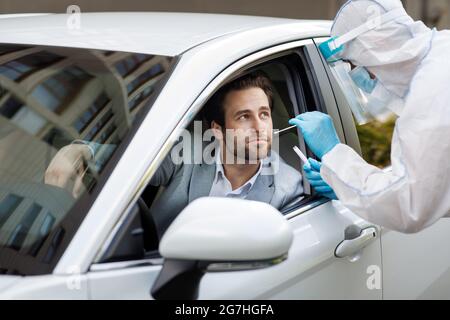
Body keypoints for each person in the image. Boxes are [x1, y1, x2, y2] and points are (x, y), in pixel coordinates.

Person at [45, 72, 304, 237]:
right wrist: (79, 151)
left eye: (264, 114)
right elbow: (130, 159)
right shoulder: (188, 151)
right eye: (244, 117)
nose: (260, 128)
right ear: (217, 130)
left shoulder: (288, 186)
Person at [289, 0, 450, 234]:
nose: (359, 76)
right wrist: (347, 185)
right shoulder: (441, 53)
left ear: (377, 45)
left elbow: (409, 207)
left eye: (354, 64)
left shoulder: (431, 92)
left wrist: (333, 152)